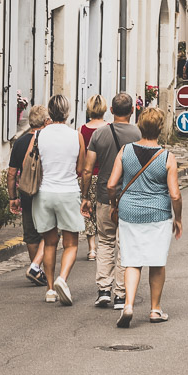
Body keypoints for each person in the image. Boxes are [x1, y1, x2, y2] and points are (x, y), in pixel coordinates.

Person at [106, 106, 182, 327]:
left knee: (132, 260)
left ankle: (128, 304)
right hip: (158, 213)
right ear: (160, 128)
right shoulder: (167, 157)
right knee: (157, 262)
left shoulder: (125, 151)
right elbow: (175, 194)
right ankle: (155, 310)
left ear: (140, 126)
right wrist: (178, 218)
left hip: (129, 212)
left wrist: (114, 204)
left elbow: (112, 184)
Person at [81, 91, 142, 310]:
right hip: (131, 198)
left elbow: (88, 170)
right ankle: (120, 294)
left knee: (105, 242)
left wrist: (85, 197)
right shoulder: (139, 134)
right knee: (125, 245)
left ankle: (103, 290)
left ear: (112, 111)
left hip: (105, 197)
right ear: (132, 111)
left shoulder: (99, 135)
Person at [31, 93, 87, 304]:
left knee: (50, 242)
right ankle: (62, 279)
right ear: (67, 112)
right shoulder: (76, 136)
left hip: (44, 193)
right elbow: (81, 168)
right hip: (68, 191)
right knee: (71, 244)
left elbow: (31, 163)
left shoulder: (38, 136)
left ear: (49, 112)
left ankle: (49, 289)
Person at [7, 103, 48, 285]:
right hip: (46, 191)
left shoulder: (20, 143)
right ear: (46, 121)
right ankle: (39, 267)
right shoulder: (48, 141)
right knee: (48, 232)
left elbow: (11, 173)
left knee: (31, 234)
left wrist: (12, 197)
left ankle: (36, 268)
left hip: (27, 193)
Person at [80, 93, 107, 261]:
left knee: (88, 211)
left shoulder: (82, 130)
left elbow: (82, 157)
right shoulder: (109, 128)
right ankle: (105, 245)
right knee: (103, 211)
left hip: (90, 175)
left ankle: (92, 249)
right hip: (106, 176)